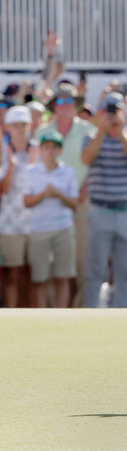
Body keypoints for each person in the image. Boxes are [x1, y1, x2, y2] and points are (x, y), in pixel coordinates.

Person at [35, 82, 96, 307]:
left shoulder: (89, 130)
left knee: (82, 259)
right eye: (60, 101)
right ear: (54, 105)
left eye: (69, 101)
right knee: (52, 260)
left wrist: (84, 190)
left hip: (81, 200)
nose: (65, 105)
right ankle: (53, 310)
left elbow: (95, 165)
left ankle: (80, 310)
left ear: (76, 104)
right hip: (48, 201)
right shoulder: (42, 131)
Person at [80, 93, 127, 308]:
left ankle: (121, 317)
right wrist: (102, 130)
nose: (112, 116)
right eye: (108, 112)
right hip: (100, 211)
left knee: (125, 272)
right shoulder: (91, 137)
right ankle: (90, 316)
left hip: (125, 213)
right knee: (95, 271)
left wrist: (121, 131)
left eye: (115, 111)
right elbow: (87, 158)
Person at [22, 133, 79, 308]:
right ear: (41, 150)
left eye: (54, 147)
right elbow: (27, 201)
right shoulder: (30, 171)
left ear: (59, 150)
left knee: (63, 277)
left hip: (63, 228)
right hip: (38, 229)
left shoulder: (69, 172)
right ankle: (40, 318)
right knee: (39, 278)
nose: (50, 151)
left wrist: (58, 194)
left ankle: (60, 317)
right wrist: (43, 194)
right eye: (46, 147)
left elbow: (74, 204)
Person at [0, 106, 36, 308]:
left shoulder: (40, 149)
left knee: (33, 274)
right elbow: (5, 189)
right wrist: (11, 165)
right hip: (10, 223)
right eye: (16, 125)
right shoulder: (2, 154)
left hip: (36, 223)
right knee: (13, 274)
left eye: (24, 125)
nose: (20, 129)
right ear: (8, 127)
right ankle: (11, 315)